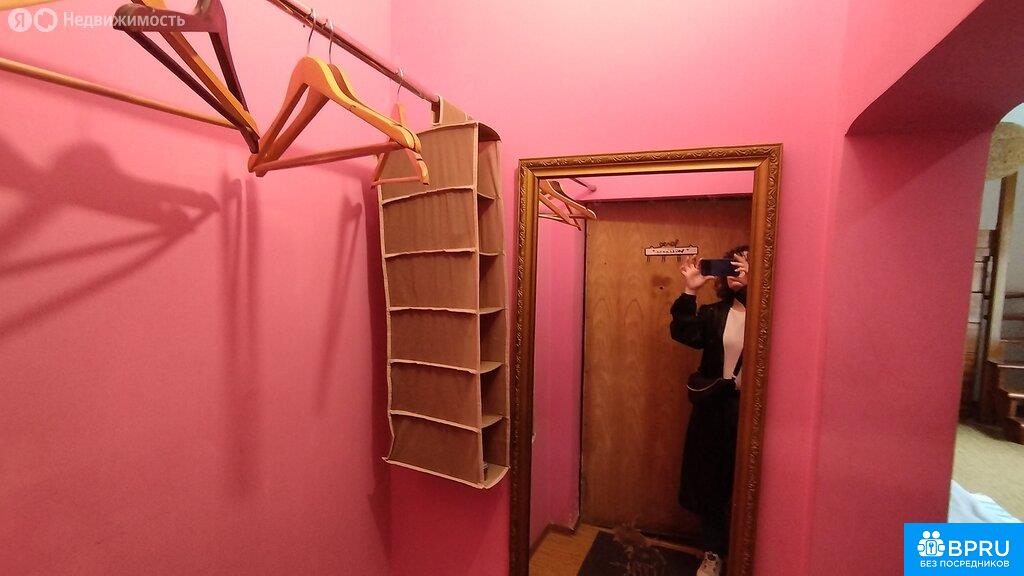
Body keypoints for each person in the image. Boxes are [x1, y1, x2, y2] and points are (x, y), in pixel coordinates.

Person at [669, 246, 749, 576]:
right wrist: (690, 291)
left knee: (747, 483)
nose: (734, 272)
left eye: (743, 265)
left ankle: (749, 553)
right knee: (710, 482)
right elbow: (684, 332)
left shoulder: (771, 315)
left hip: (753, 412)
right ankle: (713, 553)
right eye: (730, 265)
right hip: (716, 407)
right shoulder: (715, 313)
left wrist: (755, 289)